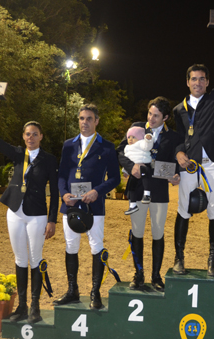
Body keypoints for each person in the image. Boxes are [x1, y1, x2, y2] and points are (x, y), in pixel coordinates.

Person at [0, 99, 59, 324]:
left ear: (41, 136)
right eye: (27, 134)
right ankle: (23, 306)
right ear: (23, 136)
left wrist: (52, 220)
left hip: (37, 215)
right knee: (20, 258)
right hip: (15, 212)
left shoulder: (49, 160)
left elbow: (54, 193)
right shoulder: (17, 154)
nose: (30, 137)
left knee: (35, 259)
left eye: (35, 134)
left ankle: (35, 306)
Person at [173, 23, 214, 276]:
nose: (197, 82)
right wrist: (179, 152)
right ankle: (179, 258)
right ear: (187, 82)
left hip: (213, 164)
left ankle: (213, 260)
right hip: (189, 165)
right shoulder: (179, 109)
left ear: (207, 82)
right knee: (183, 211)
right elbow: (179, 138)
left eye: (202, 79)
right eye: (193, 79)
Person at [54, 103, 120, 309]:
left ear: (97, 121)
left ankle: (95, 292)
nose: (85, 122)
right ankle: (72, 290)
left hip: (94, 206)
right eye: (82, 118)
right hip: (71, 205)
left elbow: (115, 178)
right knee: (71, 247)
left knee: (96, 248)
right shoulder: (68, 145)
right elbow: (62, 175)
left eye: (89, 118)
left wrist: (97, 191)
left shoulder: (107, 147)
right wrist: (64, 194)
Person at [117, 96, 183, 291]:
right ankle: (139, 274)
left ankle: (155, 276)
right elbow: (121, 151)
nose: (151, 119)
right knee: (137, 232)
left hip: (160, 191)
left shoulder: (174, 137)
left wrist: (176, 175)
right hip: (137, 188)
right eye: (149, 114)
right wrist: (132, 166)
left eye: (156, 116)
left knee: (157, 233)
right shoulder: (137, 128)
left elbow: (175, 163)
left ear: (166, 118)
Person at [123, 126, 154, 215]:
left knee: (145, 177)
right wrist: (125, 170)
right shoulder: (127, 148)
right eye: (129, 137)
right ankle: (133, 205)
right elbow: (127, 159)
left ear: (140, 138)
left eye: (133, 137)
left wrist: (148, 139)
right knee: (131, 187)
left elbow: (147, 146)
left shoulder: (141, 143)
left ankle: (147, 194)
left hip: (143, 165)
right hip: (134, 170)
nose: (130, 139)